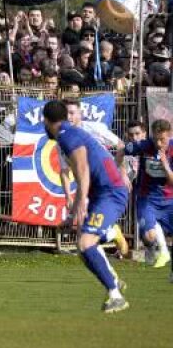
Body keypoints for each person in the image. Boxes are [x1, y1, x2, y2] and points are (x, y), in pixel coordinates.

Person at [42, 99, 130, 313]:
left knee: (85, 243)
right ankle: (113, 282)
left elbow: (82, 168)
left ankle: (115, 295)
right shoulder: (69, 134)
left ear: (46, 121)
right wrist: (72, 214)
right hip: (102, 193)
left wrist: (80, 202)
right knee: (84, 246)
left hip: (110, 193)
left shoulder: (66, 135)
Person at [122, 119, 173, 273]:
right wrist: (122, 173)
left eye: (162, 139)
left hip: (169, 199)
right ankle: (162, 252)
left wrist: (165, 165)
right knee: (149, 236)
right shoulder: (144, 146)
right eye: (155, 139)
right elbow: (120, 150)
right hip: (147, 197)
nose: (158, 143)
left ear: (169, 136)